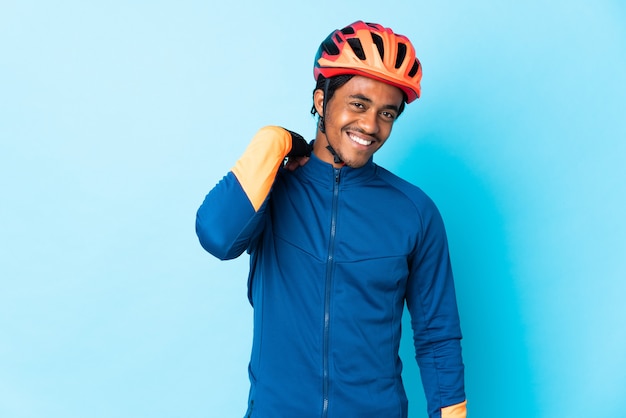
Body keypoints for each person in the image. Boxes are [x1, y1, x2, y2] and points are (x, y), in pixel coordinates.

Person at [196, 20, 467, 418]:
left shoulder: (415, 211)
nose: (371, 126)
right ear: (321, 101)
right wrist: (276, 140)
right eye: (358, 104)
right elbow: (217, 236)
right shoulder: (273, 188)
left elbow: (437, 336)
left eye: (387, 113)